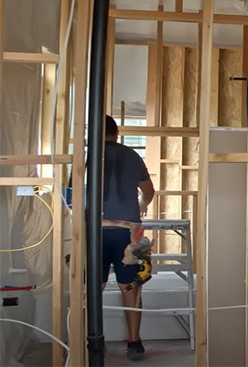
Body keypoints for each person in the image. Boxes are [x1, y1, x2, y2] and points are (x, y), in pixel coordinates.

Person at [100, 115, 155, 361]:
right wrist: (143, 203)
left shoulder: (87, 157)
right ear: (117, 132)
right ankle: (134, 343)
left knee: (92, 288)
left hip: (95, 232)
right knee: (130, 288)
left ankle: (92, 339)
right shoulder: (131, 155)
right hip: (128, 232)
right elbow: (149, 190)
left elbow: (74, 194)